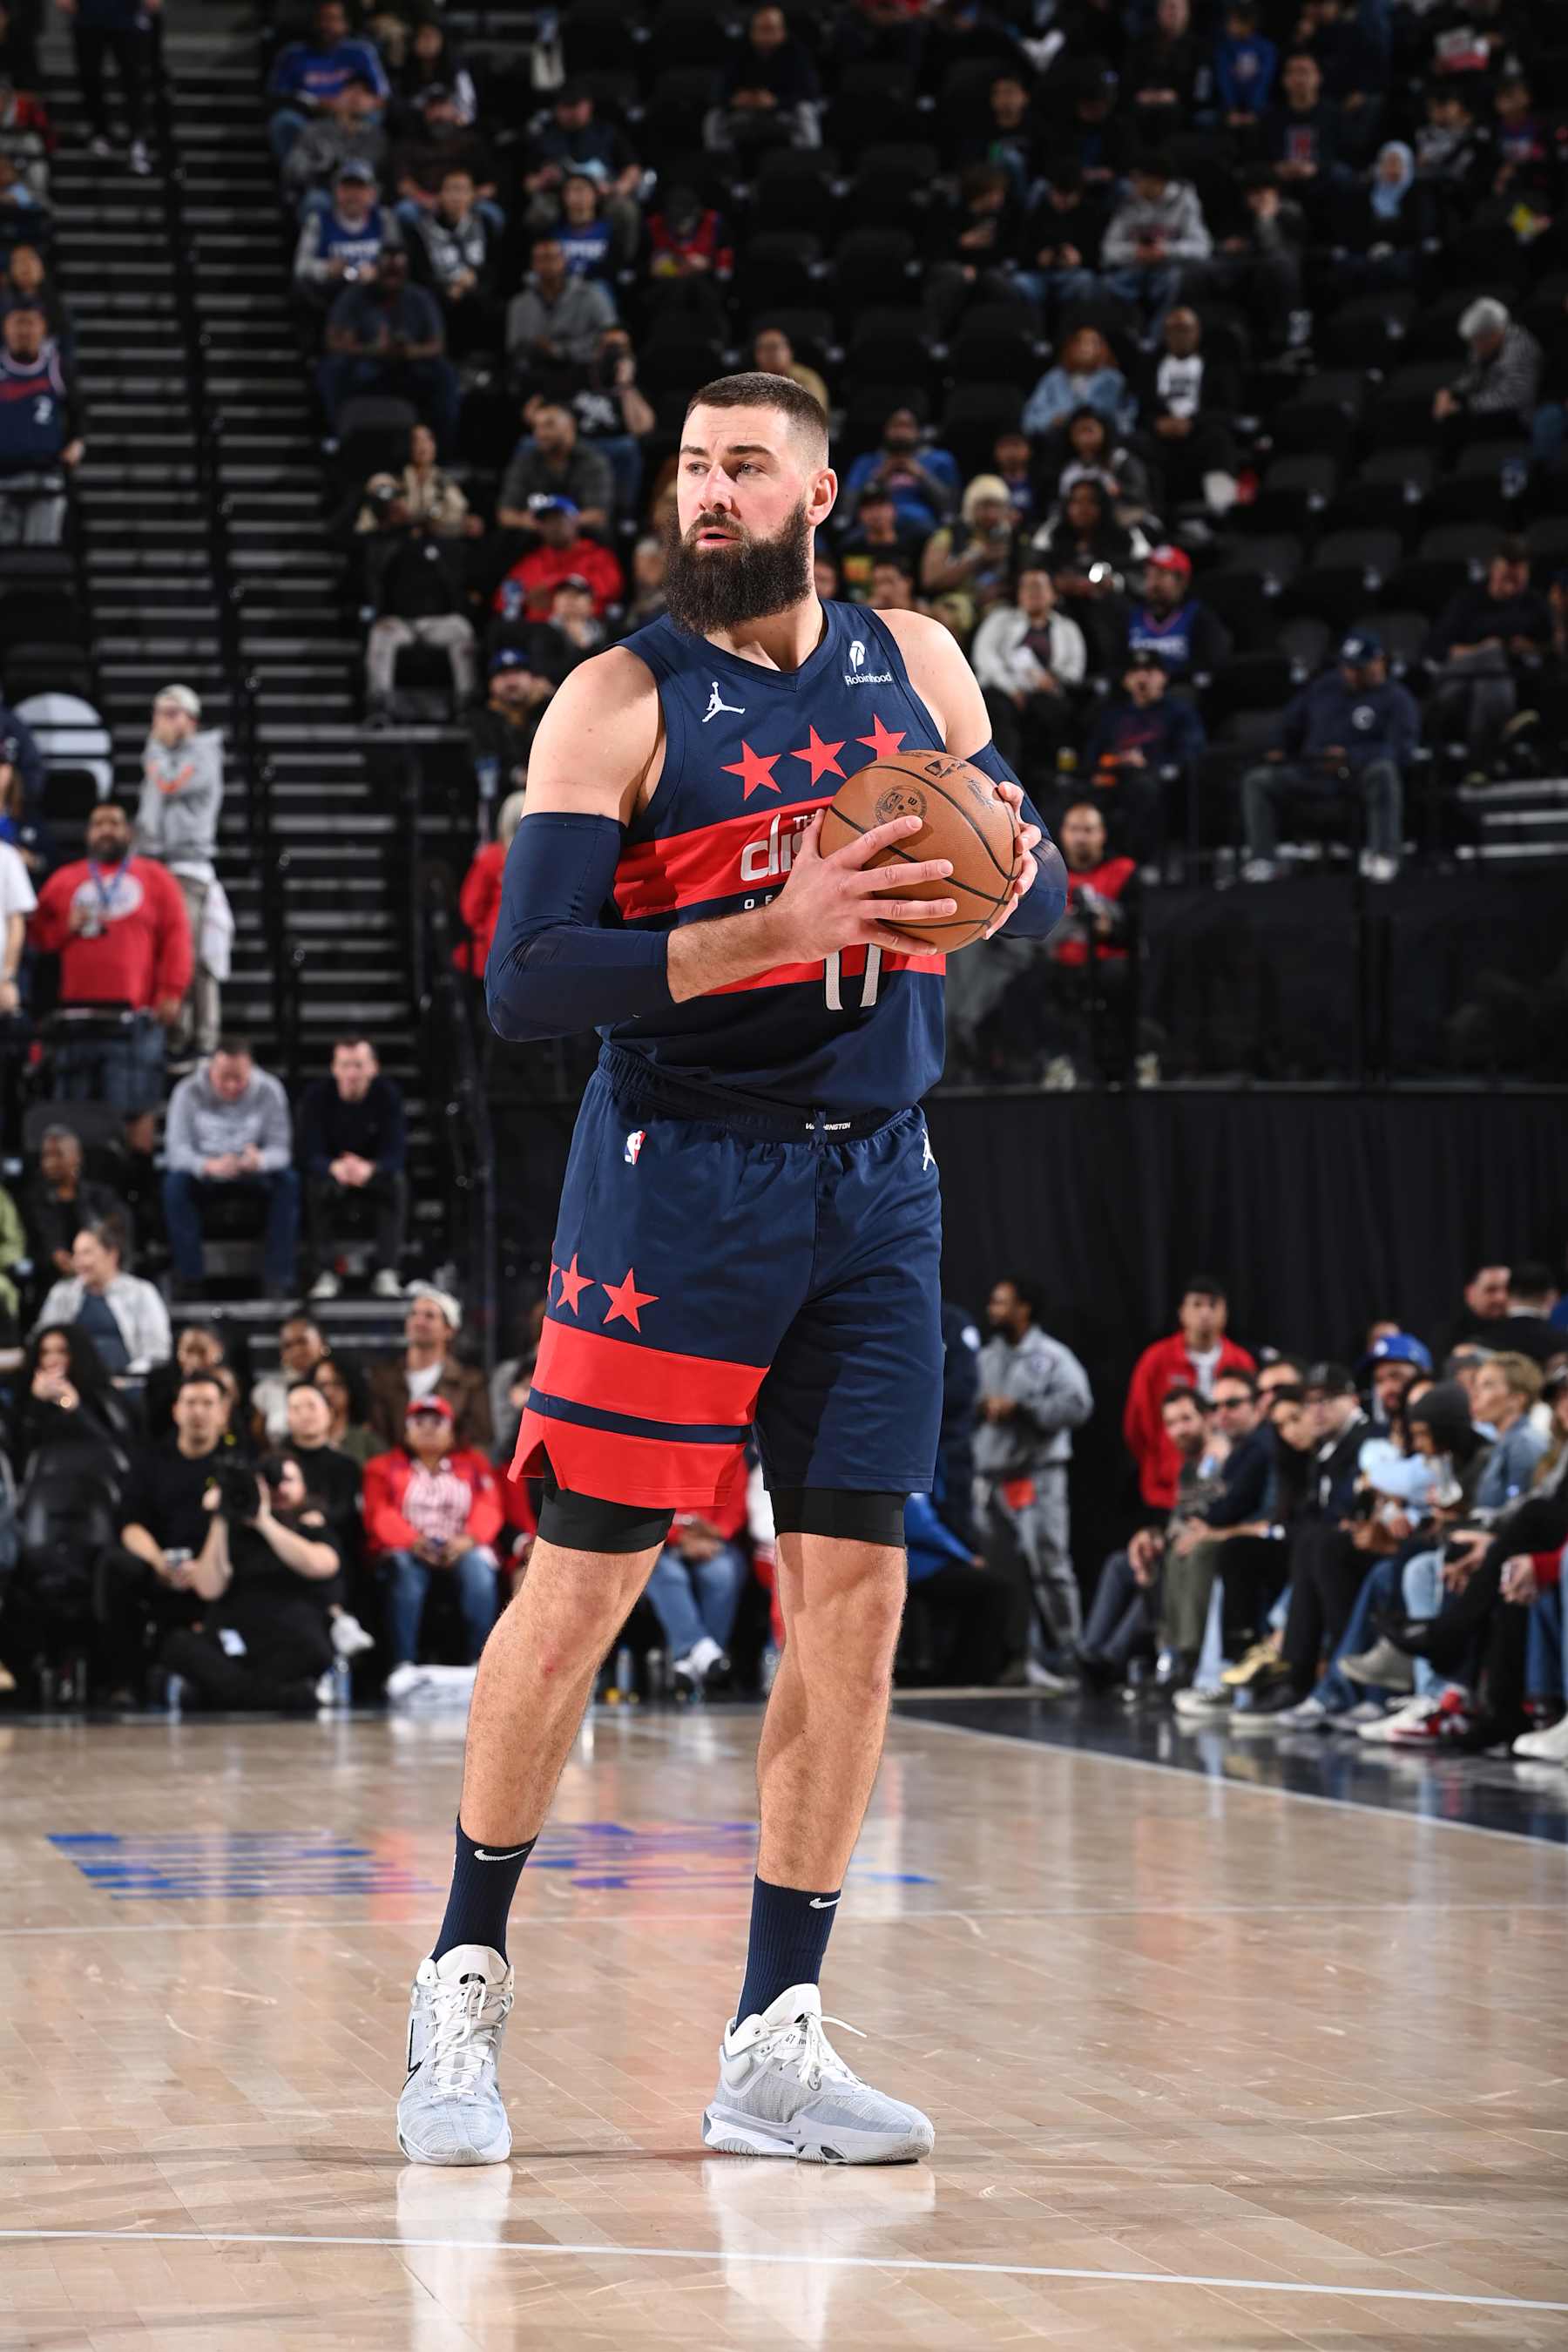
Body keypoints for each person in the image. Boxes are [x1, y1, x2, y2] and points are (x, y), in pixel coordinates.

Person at [392, 368, 1062, 2168]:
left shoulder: (917, 661)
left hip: (880, 1188)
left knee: (854, 1601)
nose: (706, 493)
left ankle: (775, 2037)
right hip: (673, 1182)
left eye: (743, 467)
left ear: (820, 493)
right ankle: (460, 1981)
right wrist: (772, 928)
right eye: (689, 466)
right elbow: (530, 981)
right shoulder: (614, 705)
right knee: (587, 1584)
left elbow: (1033, 872)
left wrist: (1011, 871)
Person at [29, 801, 191, 1106]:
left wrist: (172, 990)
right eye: (98, 824)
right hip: (75, 1019)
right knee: (73, 1115)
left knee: (132, 1111)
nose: (106, 830)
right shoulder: (65, 879)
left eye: (114, 823)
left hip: (136, 1016)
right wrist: (65, 927)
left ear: (128, 832)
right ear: (88, 834)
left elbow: (177, 937)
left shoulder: (156, 877)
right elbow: (37, 936)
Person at [972, 1274, 1093, 1677]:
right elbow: (962, 1404)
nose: (994, 1310)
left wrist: (1023, 1408)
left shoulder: (1052, 1357)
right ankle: (1021, 1656)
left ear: (1024, 1308)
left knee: (1049, 1565)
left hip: (1037, 1477)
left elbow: (1078, 1405)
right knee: (1003, 1575)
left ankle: (1070, 1652)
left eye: (1002, 1302)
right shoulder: (986, 1357)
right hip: (991, 1479)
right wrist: (982, 1408)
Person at [159, 1453, 341, 1713]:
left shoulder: (312, 1528)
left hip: (290, 1642)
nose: (279, 1489)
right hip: (235, 1643)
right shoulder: (233, 1533)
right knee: (177, 1646)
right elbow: (209, 1588)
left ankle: (227, 1696)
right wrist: (221, 1517)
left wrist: (264, 1521)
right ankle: (283, 1698)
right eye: (270, 1482)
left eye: (288, 1480)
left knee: (314, 1650)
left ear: (304, 1487)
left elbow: (321, 1565)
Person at [94, 1369, 237, 1697]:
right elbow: (131, 1525)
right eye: (190, 1403)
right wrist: (160, 1562)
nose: (198, 1411)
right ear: (176, 1410)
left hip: (218, 1569)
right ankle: (124, 1681)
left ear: (222, 1412)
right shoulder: (149, 1461)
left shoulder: (236, 1463)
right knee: (115, 1566)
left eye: (207, 1403)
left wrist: (204, 1568)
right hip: (160, 1567)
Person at [1240, 632, 1418, 885]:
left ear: (1379, 662)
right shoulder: (1325, 687)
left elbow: (1402, 750)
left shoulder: (1396, 699)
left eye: (1359, 668)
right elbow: (1290, 722)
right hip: (1313, 771)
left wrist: (1351, 757)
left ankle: (1383, 855)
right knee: (1258, 780)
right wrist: (1278, 746)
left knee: (1384, 772)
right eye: (1347, 667)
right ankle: (1263, 860)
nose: (1351, 674)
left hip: (1356, 775)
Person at [1077, 1385, 1213, 1688]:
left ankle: (1110, 1659)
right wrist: (1152, 1537)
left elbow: (1218, 1516)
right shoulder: (1188, 1468)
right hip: (1178, 1546)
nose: (1179, 1430)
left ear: (1207, 1418)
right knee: (1122, 1562)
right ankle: (1089, 1652)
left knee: (1159, 1572)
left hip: (1202, 1552)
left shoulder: (1222, 1457)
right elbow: (1180, 1520)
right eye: (1171, 1423)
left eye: (1186, 1419)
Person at [364, 1396, 502, 1669]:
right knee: (404, 1570)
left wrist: (468, 1539)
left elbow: (490, 1506)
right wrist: (412, 1541)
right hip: (409, 1548)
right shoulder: (381, 1467)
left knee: (479, 1570)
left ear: (451, 1430)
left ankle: (483, 1663)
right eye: (419, 1422)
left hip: (463, 1546)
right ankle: (403, 1664)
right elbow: (379, 1512)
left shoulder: (476, 1464)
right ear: (406, 1430)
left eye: (437, 1422)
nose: (428, 1428)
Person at [162, 1039, 300, 1300]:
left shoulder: (270, 1089)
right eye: (224, 1078)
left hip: (252, 1173)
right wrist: (207, 1165)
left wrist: (259, 1161)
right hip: (207, 1174)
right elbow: (176, 1152)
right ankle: (190, 1278)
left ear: (251, 1071)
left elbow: (282, 1151)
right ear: (210, 1069)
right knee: (174, 1185)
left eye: (239, 1079)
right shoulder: (187, 1091)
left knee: (288, 1182)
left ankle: (279, 1278)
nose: (231, 1086)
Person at [136, 683, 224, 1062]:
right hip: (156, 867)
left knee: (189, 956)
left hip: (187, 870)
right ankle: (175, 1036)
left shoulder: (201, 755)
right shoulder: (163, 758)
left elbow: (168, 782)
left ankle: (198, 1041)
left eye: (174, 714)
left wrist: (155, 747)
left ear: (193, 719)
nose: (164, 724)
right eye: (159, 714)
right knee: (166, 956)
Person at [1423, 538, 1550, 779]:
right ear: (1495, 567)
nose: (1512, 579)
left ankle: (1479, 767)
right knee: (1491, 656)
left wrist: (1531, 648)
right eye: (1507, 570)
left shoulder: (1534, 605)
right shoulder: (1469, 599)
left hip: (1501, 688)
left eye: (1519, 571)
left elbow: (1550, 648)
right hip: (1456, 683)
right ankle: (1503, 730)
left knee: (1488, 685)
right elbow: (1437, 650)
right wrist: (1482, 651)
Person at [1125, 1277, 1255, 1508]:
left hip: (1229, 1476)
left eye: (1213, 1305)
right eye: (1196, 1305)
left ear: (1225, 1313)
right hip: (1168, 1482)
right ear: (1182, 1312)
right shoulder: (1156, 1360)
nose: (1205, 1313)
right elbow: (1138, 1426)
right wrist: (1159, 1463)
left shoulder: (1240, 1360)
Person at [296, 1035, 407, 1300]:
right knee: (312, 1184)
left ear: (373, 1068)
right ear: (334, 1068)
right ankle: (325, 1272)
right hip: (333, 1173)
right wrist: (335, 1167)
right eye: (345, 1065)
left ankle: (386, 1271)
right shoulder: (317, 1097)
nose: (352, 1073)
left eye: (358, 1065)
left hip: (372, 1173)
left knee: (396, 1183)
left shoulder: (388, 1096)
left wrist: (369, 1168)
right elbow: (307, 1152)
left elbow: (397, 1153)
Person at [319, 245, 458, 452]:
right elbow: (333, 341)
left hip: (409, 365)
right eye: (387, 272)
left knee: (444, 373)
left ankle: (443, 447)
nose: (392, 278)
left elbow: (438, 344)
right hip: (366, 364)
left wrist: (411, 351)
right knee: (332, 368)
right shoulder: (355, 296)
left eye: (397, 273)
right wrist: (369, 349)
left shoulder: (420, 298)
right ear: (377, 269)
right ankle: (335, 438)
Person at [1079, 654, 1204, 859]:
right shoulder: (1111, 715)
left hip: (1156, 779)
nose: (1142, 678)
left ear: (1163, 677)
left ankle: (1143, 862)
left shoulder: (1179, 712)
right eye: (1135, 672)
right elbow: (1093, 753)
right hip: (1113, 777)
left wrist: (1149, 763)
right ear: (1125, 681)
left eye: (1150, 672)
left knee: (1144, 790)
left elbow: (1190, 751)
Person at [31, 1215, 168, 1377]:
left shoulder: (142, 1293)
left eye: (86, 1253)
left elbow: (157, 1353)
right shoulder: (61, 1293)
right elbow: (42, 1341)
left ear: (112, 1254)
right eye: (76, 1254)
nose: (78, 1262)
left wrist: (130, 1377)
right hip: (72, 1385)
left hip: (128, 1383)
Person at [367, 1283, 491, 1450]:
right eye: (413, 1314)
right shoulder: (382, 1376)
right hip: (392, 1471)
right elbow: (375, 1435)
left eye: (429, 1316)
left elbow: (479, 1440)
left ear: (449, 1330)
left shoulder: (470, 1383)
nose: (419, 1321)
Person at [0, 301, 84, 545]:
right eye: (18, 323)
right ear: (6, 328)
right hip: (2, 476)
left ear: (43, 328)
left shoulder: (57, 367)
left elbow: (79, 412)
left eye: (31, 323)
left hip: (45, 477)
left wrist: (77, 444)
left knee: (40, 554)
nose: (24, 331)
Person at [1098, 153, 1211, 331]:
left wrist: (1166, 251)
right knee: (1105, 285)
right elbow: (1107, 250)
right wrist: (1135, 252)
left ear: (1157, 181)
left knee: (1175, 280)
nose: (1132, 183)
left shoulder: (1184, 200)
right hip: (1134, 268)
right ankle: (1130, 334)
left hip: (1167, 269)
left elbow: (1202, 248)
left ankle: (1157, 338)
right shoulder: (1127, 200)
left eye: (1138, 178)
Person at [268, 0, 388, 166]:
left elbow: (382, 96)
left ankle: (358, 178)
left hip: (353, 117)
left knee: (374, 118)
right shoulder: (293, 54)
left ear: (346, 24)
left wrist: (351, 107)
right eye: (322, 19)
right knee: (283, 120)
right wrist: (316, 104)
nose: (326, 25)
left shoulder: (361, 52)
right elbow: (279, 95)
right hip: (309, 116)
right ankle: (298, 181)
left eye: (333, 19)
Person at [646, 1504, 751, 1691]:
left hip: (713, 1540)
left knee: (722, 1574)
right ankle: (703, 1652)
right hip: (660, 1540)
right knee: (669, 1575)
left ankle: (689, 1662)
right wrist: (678, 1537)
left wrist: (715, 1533)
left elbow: (735, 1510)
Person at [56, 0, 157, 176]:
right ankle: (100, 132)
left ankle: (137, 139)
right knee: (89, 76)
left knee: (133, 81)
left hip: (126, 15)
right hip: (89, 14)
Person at [505, 235, 618, 393]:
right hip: (538, 375)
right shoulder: (519, 304)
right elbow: (515, 348)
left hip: (583, 371)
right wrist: (540, 349)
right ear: (533, 264)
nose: (549, 264)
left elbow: (609, 336)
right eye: (542, 259)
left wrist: (560, 350)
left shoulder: (591, 294)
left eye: (553, 257)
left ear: (564, 260)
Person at [705, 3, 821, 155]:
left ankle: (808, 163)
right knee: (714, 117)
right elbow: (718, 91)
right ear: (752, 32)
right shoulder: (738, 51)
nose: (766, 35)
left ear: (782, 32)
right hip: (744, 113)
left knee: (806, 111)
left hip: (783, 113)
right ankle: (721, 167)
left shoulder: (797, 54)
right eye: (762, 29)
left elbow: (810, 93)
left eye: (771, 29)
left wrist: (776, 101)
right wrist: (734, 99)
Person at [20, 1122, 128, 1282]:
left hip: (99, 1277)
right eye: (46, 1156)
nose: (50, 1162)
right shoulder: (32, 1201)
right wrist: (53, 1255)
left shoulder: (101, 1197)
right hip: (49, 1281)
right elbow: (27, 1247)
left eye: (58, 1154)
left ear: (76, 1157)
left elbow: (119, 1236)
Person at [492, 494, 622, 624]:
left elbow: (612, 590)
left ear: (574, 521)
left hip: (585, 629)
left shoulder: (598, 556)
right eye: (546, 522)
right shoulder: (532, 561)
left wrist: (555, 591)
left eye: (559, 519)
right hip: (537, 631)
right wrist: (525, 600)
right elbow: (502, 601)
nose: (552, 527)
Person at [1432, 296, 1544, 439]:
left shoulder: (1520, 349)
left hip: (1521, 419)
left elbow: (1515, 397)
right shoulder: (1481, 346)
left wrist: (1464, 406)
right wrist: (1451, 391)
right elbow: (1473, 376)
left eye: (1477, 341)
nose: (1474, 348)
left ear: (1494, 334)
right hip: (1490, 412)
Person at [293, 156, 400, 307]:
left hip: (376, 297)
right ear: (336, 191)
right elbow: (301, 268)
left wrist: (377, 272)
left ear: (372, 193)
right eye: (347, 188)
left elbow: (399, 262)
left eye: (359, 188)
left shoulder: (384, 219)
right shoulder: (318, 221)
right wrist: (327, 269)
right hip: (330, 296)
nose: (353, 195)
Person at [497, 402, 612, 534]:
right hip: (535, 539)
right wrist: (539, 525)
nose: (540, 433)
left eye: (549, 425)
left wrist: (559, 525)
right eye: (536, 427)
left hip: (582, 540)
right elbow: (506, 515)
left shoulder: (593, 462)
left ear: (570, 425)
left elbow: (598, 516)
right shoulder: (525, 461)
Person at [840, 407, 959, 534]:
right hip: (874, 525)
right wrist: (878, 477)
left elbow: (951, 506)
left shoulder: (939, 460)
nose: (901, 432)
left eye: (907, 426)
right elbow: (847, 507)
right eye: (896, 426)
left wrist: (922, 475)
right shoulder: (866, 462)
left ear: (918, 431)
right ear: (885, 430)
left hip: (923, 525)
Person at [1123, 544, 1231, 683]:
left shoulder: (1199, 617)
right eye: (1149, 575)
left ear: (1182, 581)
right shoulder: (1133, 617)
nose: (1153, 583)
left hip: (1182, 690)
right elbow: (1117, 663)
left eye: (1161, 574)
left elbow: (1214, 662)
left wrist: (1168, 679)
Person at [249, 1313, 328, 1446]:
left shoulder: (337, 1385)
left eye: (302, 1342)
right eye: (288, 1346)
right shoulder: (267, 1390)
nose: (296, 1350)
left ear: (322, 1343)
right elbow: (258, 1436)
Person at [310, 1352, 380, 1467]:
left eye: (337, 1383)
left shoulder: (368, 1442)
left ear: (351, 1387)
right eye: (322, 1385)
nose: (328, 1392)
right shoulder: (299, 1440)